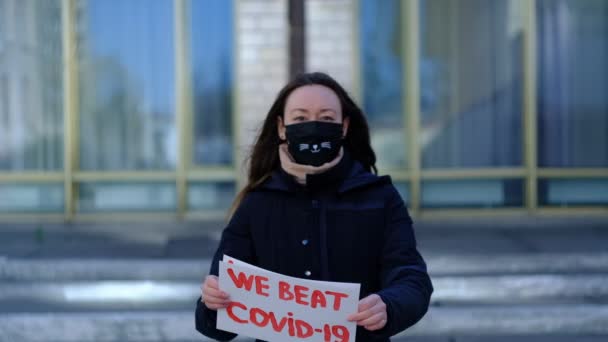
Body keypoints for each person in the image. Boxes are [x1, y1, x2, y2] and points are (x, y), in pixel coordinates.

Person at [195, 72, 433, 341]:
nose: (313, 126)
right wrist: (213, 302)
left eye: (326, 118)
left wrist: (389, 305)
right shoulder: (257, 203)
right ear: (282, 127)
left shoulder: (380, 198)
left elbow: (412, 279)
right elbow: (215, 324)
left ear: (343, 127)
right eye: (300, 118)